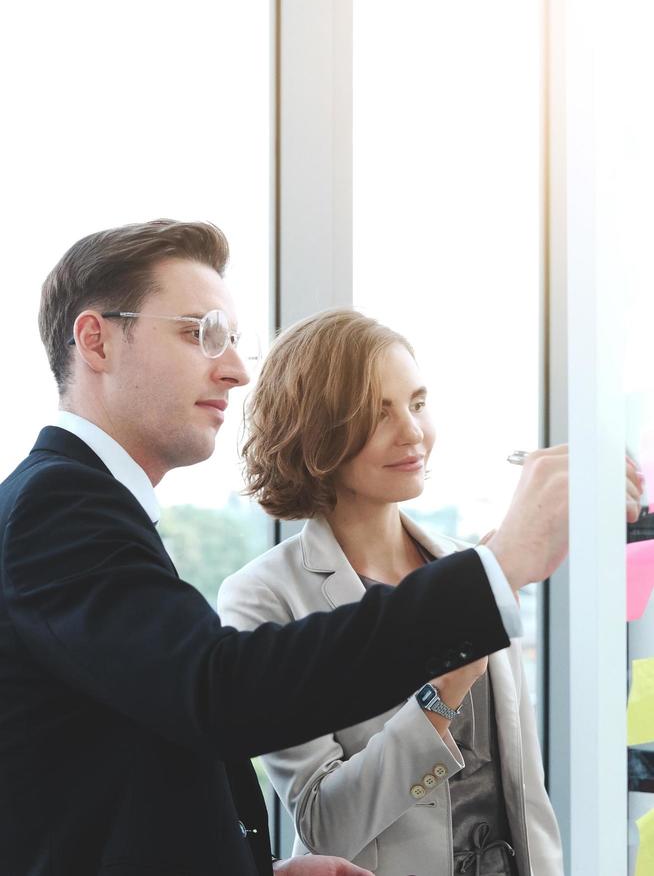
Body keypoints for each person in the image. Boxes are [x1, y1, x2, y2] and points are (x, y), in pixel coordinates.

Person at [0, 219, 577, 876]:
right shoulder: (61, 507)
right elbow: (221, 693)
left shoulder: (82, 507)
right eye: (199, 333)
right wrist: (495, 573)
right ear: (95, 340)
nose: (237, 370)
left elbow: (109, 789)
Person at [218, 309, 642, 875]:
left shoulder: (469, 566)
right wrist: (451, 679)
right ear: (317, 430)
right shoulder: (263, 596)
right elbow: (324, 823)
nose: (412, 432)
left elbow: (524, 791)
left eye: (417, 403)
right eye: (378, 412)